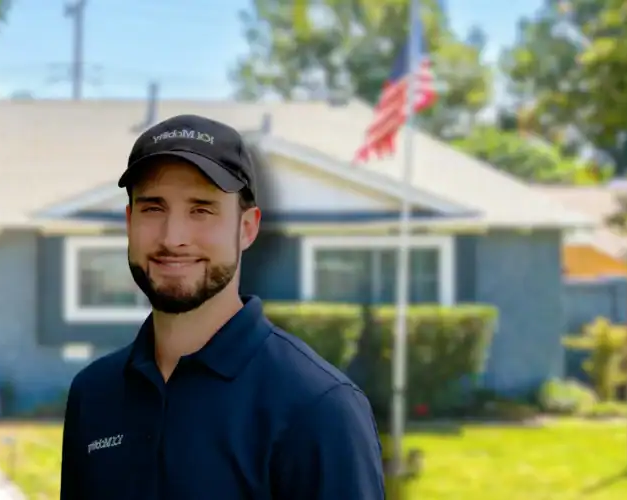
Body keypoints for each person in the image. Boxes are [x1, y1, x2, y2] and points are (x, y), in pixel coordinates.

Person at [59, 114, 387, 499]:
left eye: (202, 209)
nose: (173, 237)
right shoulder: (94, 395)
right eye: (153, 208)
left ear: (247, 228)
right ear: (130, 222)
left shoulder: (318, 407)